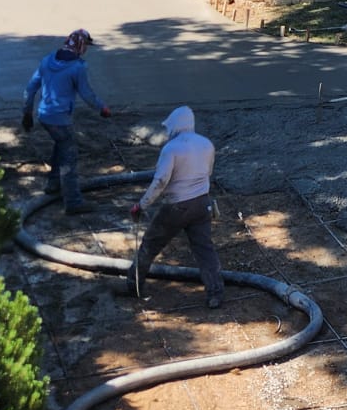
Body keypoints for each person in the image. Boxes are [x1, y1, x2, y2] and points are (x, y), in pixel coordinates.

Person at [121, 106, 224, 309]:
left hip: (177, 206)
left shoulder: (172, 149)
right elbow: (208, 172)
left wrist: (141, 205)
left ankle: (134, 285)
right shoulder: (206, 144)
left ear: (176, 125)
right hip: (202, 203)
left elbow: (160, 181)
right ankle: (215, 294)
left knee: (150, 243)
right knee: (204, 249)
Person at [23, 29, 111, 213]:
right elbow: (86, 93)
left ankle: (53, 184)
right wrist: (101, 108)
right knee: (68, 158)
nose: (86, 49)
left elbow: (30, 88)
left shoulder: (47, 60)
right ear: (81, 45)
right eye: (86, 46)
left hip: (44, 115)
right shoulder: (78, 67)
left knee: (61, 145)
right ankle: (73, 202)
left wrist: (27, 113)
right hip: (59, 119)